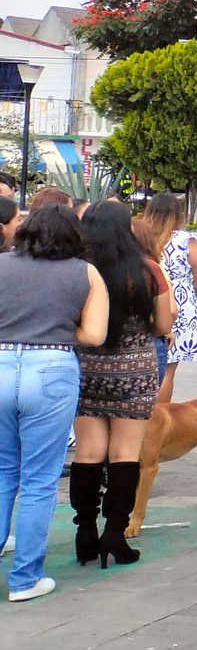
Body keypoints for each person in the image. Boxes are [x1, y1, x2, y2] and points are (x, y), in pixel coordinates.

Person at [0, 204, 110, 603]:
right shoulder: (85, 273)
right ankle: (25, 578)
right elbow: (95, 335)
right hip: (51, 366)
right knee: (39, 480)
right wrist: (57, 329)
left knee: (2, 471)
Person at [73, 198, 174, 568]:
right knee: (125, 455)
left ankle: (84, 532)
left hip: (87, 371)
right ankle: (115, 535)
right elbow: (164, 326)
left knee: (87, 453)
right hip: (134, 372)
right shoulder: (148, 270)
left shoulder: (78, 270)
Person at [136, 193, 197, 403]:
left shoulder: (140, 236)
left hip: (147, 299)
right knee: (168, 369)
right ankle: (160, 415)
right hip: (180, 306)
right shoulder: (185, 240)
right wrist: (187, 295)